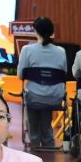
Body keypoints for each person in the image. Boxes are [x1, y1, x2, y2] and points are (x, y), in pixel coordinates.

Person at [18, 17, 67, 149]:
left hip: (34, 97)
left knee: (34, 102)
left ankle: (34, 143)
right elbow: (63, 74)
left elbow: (20, 75)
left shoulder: (27, 50)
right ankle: (48, 143)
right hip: (55, 98)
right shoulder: (61, 51)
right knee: (45, 115)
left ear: (36, 31)